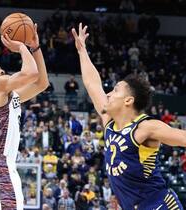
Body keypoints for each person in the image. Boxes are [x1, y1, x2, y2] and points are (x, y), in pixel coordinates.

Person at [72, 23, 184, 209]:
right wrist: (82, 51)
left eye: (115, 90)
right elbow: (93, 85)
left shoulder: (145, 127)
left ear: (128, 101)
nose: (108, 94)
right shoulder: (109, 122)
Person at [0, 24, 49, 210]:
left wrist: (35, 48)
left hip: (0, 167)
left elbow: (41, 83)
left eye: (0, 69)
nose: (0, 72)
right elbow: (30, 73)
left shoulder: (6, 96)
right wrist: (22, 47)